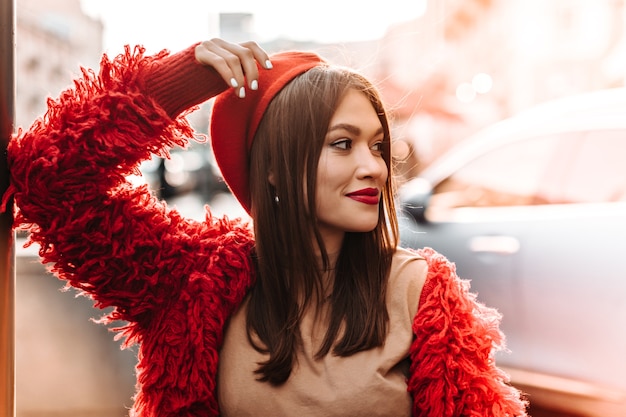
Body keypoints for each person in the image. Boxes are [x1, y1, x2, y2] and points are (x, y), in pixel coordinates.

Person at [2, 38, 528, 416]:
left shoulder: (422, 292)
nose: (374, 167)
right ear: (274, 166)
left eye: (378, 146)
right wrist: (174, 83)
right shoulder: (192, 280)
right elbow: (49, 182)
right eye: (343, 144)